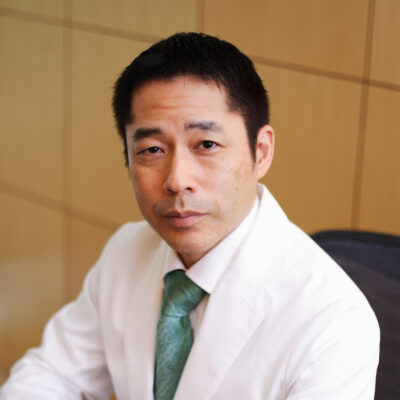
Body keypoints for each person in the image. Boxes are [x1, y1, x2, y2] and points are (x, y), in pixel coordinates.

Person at [0, 32, 379, 400]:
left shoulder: (333, 323)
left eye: (206, 144)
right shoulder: (127, 249)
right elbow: (51, 376)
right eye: (152, 149)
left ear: (260, 151)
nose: (177, 180)